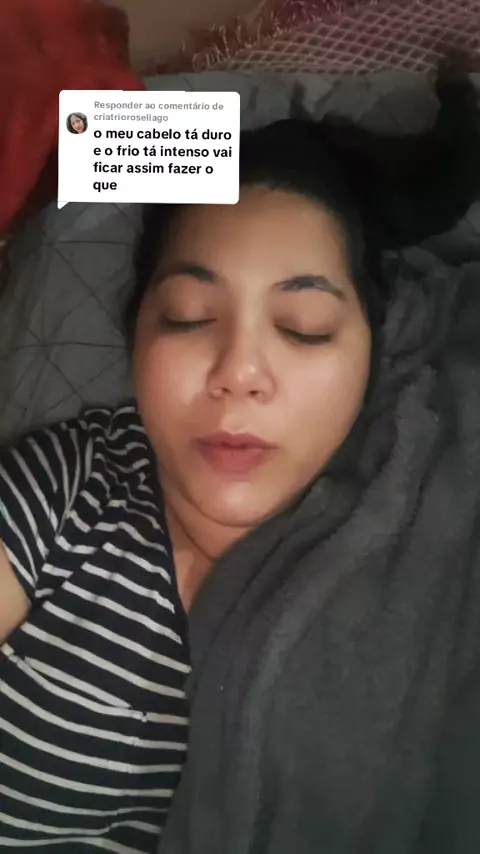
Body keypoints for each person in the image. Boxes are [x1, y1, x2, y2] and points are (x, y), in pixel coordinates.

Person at [1, 64, 480, 853]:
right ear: (134, 335)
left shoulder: (412, 526)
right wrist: (270, 142)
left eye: (303, 326)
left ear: (375, 350)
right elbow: (82, 142)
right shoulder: (71, 485)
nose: (239, 371)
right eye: (189, 317)